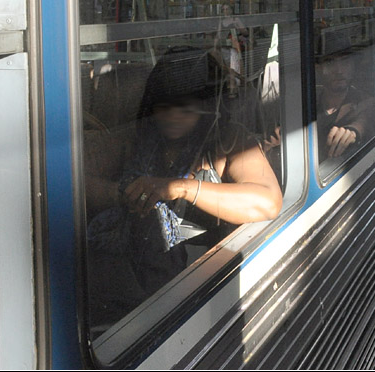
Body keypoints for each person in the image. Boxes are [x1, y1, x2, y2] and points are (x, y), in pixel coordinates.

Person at [86, 51, 282, 325]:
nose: (173, 115)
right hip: (129, 284)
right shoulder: (137, 137)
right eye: (164, 105)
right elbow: (78, 178)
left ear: (205, 105)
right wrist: (125, 194)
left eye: (185, 106)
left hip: (201, 287)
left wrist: (182, 188)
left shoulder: (227, 140)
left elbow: (267, 201)